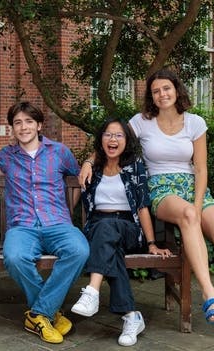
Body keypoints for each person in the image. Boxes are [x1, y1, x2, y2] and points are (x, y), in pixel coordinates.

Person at [80, 69, 214, 351]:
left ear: (177, 90)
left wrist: (198, 200)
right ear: (151, 97)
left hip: (193, 187)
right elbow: (112, 139)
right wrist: (88, 160)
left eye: (166, 88)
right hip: (161, 188)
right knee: (189, 216)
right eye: (155, 91)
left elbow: (201, 168)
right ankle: (209, 293)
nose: (162, 94)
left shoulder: (195, 123)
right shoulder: (141, 122)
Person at [0, 101, 90, 344]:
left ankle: (37, 314)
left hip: (57, 223)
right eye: (17, 123)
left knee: (79, 250)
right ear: (12, 128)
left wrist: (69, 209)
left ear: (39, 125)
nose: (23, 127)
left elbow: (78, 176)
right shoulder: (5, 156)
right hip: (22, 226)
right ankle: (49, 313)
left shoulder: (59, 152)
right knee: (14, 257)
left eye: (28, 121)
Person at [70, 118, 171, 347]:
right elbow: (78, 194)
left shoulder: (134, 165)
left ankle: (92, 291)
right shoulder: (93, 167)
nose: (112, 139)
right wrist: (87, 161)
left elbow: (142, 206)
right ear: (100, 139)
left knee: (108, 229)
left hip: (128, 227)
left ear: (127, 141)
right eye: (107, 134)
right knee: (109, 245)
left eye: (118, 135)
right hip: (97, 227)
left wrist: (151, 242)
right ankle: (132, 316)